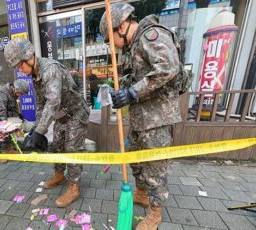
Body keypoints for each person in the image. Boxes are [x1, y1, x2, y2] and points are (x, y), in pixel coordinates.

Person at [100, 3, 182, 229]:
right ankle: (142, 194)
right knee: (135, 160)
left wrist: (132, 92)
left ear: (122, 25)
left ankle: (155, 214)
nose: (112, 45)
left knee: (155, 169)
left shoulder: (151, 36)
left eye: (110, 39)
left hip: (157, 118)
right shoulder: (133, 46)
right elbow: (135, 78)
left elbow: (168, 68)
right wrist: (122, 91)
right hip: (140, 119)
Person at [4, 38, 90, 208]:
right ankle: (59, 175)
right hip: (61, 116)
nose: (20, 70)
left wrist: (40, 132)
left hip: (76, 113)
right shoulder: (35, 75)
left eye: (20, 65)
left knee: (71, 150)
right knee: (57, 146)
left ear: (29, 57)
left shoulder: (50, 70)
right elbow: (41, 105)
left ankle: (74, 187)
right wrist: (36, 128)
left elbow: (53, 103)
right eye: (17, 67)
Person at [0, 79, 30, 163]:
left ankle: (9, 149)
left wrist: (19, 116)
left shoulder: (12, 93)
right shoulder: (2, 95)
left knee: (7, 130)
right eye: (21, 93)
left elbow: (13, 108)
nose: (20, 96)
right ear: (16, 89)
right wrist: (10, 127)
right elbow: (2, 115)